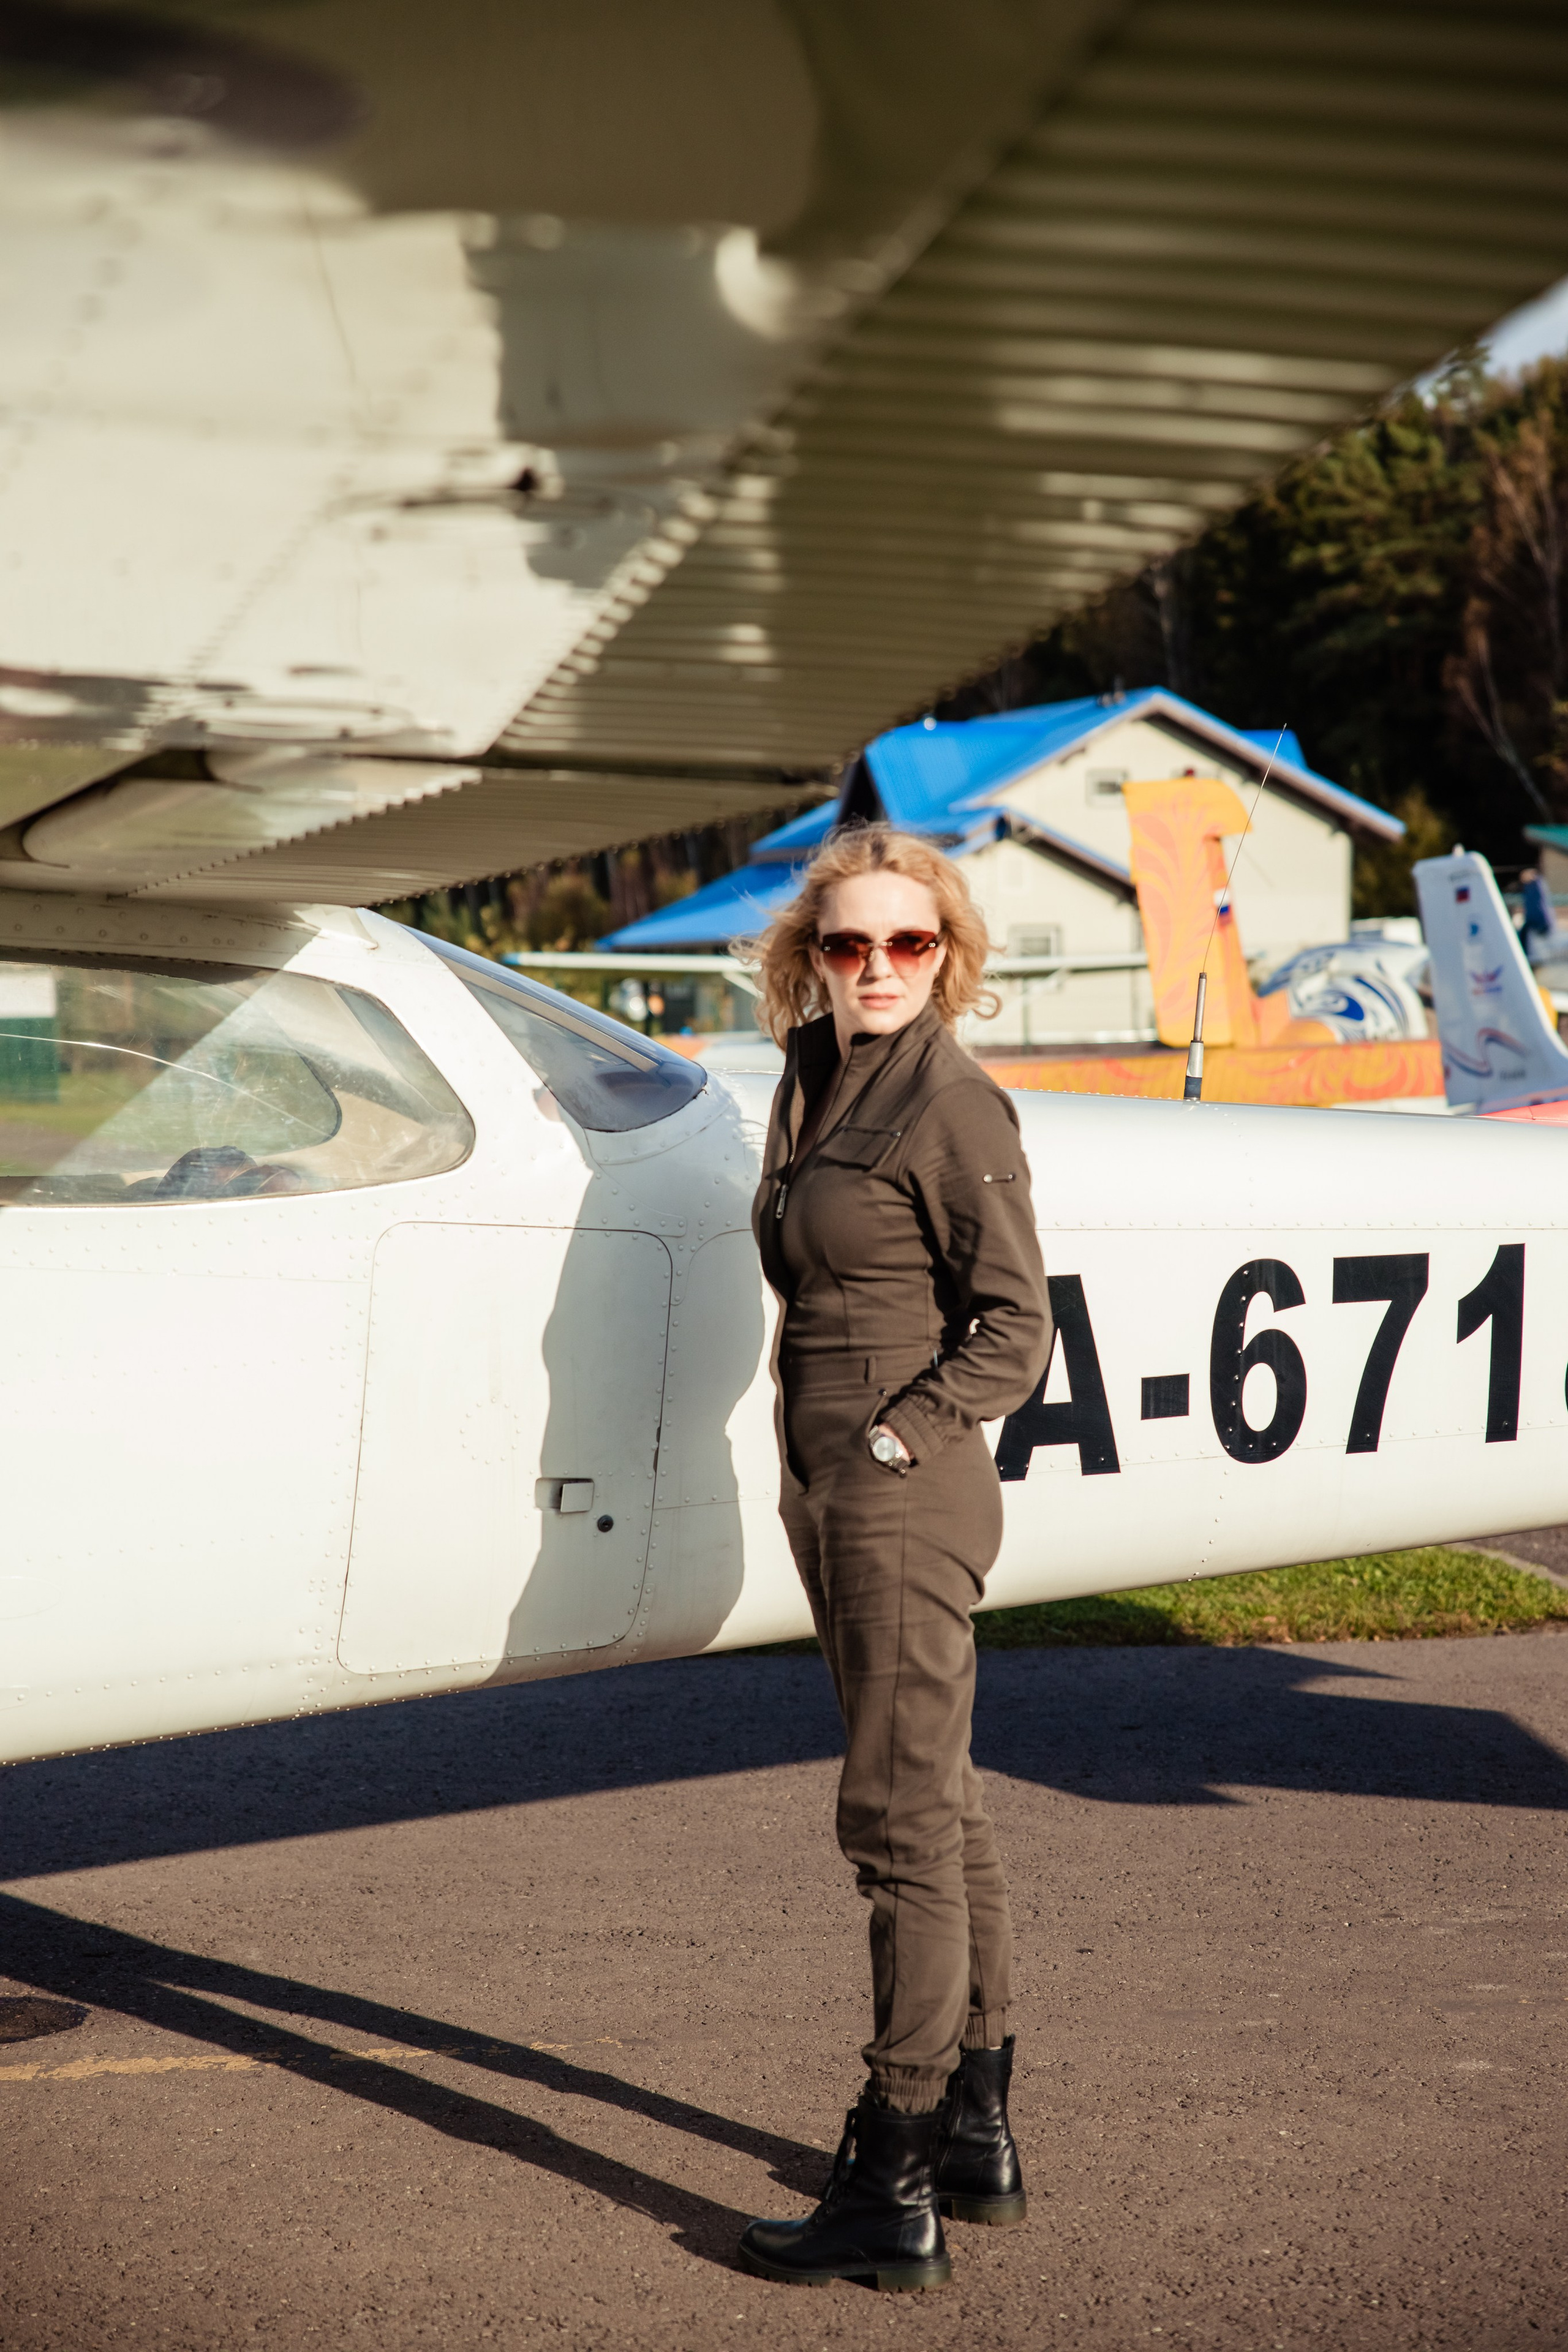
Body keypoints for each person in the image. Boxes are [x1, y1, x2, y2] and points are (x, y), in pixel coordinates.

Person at [739, 824, 1052, 2293]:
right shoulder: (811, 1075)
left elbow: (1015, 1327)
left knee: (893, 1826)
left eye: (907, 945)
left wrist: (889, 1440)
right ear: (811, 953)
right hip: (832, 1485)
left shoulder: (952, 1103)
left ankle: (894, 2161)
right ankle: (979, 2127)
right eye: (848, 945)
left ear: (949, 956)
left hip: (901, 1493)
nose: (875, 969)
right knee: (943, 1802)